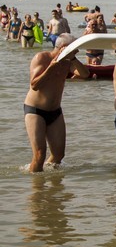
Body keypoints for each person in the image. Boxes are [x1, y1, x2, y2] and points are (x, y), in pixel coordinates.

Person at [24, 34, 91, 172]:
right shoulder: (41, 58)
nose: (77, 51)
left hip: (55, 111)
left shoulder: (68, 62)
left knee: (59, 155)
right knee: (39, 154)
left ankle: (51, 182)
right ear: (64, 47)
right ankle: (36, 184)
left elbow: (85, 74)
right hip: (35, 110)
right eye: (74, 48)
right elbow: (34, 85)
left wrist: (73, 58)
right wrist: (51, 67)